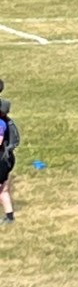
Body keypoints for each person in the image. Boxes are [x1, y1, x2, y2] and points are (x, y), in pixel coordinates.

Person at [0, 96, 16, 226]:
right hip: (7, 159)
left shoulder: (0, 123)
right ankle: (10, 217)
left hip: (1, 161)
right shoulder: (6, 121)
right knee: (3, 190)